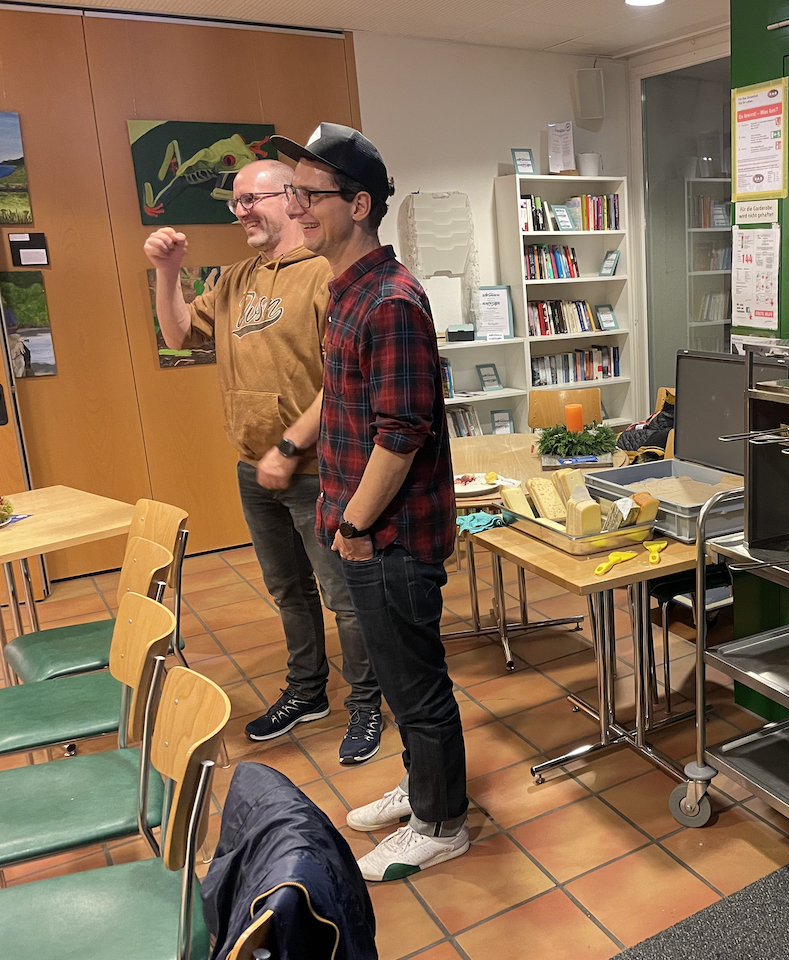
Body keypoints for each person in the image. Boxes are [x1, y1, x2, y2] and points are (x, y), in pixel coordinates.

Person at [270, 123, 468, 881]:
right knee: (398, 674)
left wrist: (355, 523)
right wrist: (296, 450)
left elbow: (400, 435)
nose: (295, 206)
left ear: (358, 205)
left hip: (391, 538)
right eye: (292, 192)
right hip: (364, 532)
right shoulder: (347, 293)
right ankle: (424, 787)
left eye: (308, 194)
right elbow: (345, 399)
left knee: (416, 684)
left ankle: (441, 823)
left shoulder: (390, 301)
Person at [144, 158, 385, 765]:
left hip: (318, 468)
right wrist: (167, 273)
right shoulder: (234, 280)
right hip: (255, 469)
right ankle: (307, 691)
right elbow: (178, 335)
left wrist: (290, 447)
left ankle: (366, 703)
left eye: (252, 199)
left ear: (291, 198)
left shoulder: (325, 274)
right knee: (288, 592)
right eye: (235, 202)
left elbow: (343, 381)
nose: (241, 211)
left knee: (343, 597)